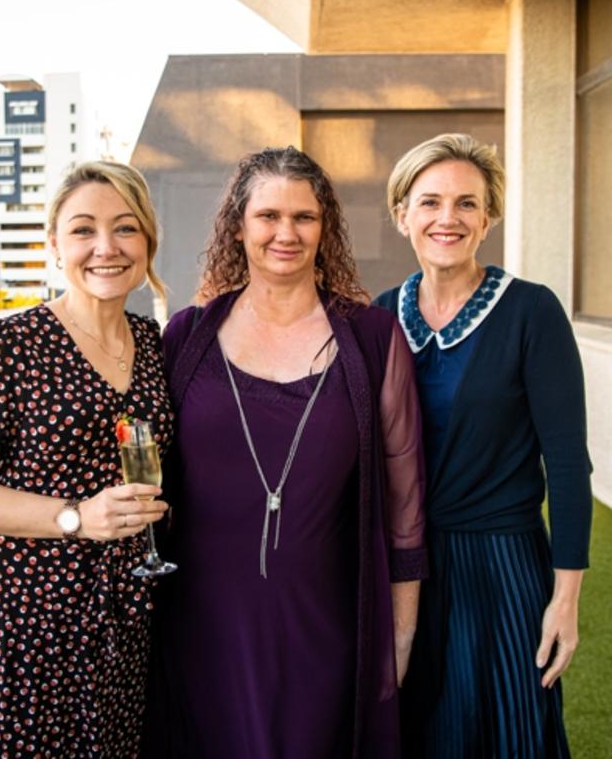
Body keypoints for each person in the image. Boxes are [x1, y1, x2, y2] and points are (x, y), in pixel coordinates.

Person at [145, 147, 427, 759]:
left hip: (327, 625)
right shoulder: (187, 337)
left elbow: (406, 499)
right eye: (268, 215)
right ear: (238, 226)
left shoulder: (373, 338)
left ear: (325, 229)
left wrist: (400, 630)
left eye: (304, 217)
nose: (286, 233)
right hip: (203, 624)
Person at [0, 161, 174, 759]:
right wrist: (75, 518)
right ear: (53, 247)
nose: (105, 247)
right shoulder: (8, 345)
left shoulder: (155, 343)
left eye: (125, 229)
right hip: (27, 616)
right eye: (83, 230)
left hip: (125, 613)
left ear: (147, 243)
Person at [375, 133, 592, 759]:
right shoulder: (382, 317)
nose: (449, 218)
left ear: (489, 216)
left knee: (509, 733)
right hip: (408, 570)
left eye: (467, 203)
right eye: (431, 202)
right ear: (402, 215)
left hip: (502, 571)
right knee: (418, 735)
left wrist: (565, 601)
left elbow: (570, 467)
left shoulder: (531, 312)